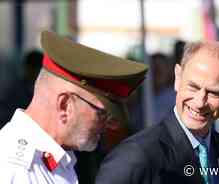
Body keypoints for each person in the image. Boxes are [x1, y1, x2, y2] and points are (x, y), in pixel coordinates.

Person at [0, 31, 148, 184]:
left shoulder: (53, 159)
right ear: (65, 106)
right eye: (101, 113)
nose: (106, 126)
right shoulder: (14, 169)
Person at [96, 40, 219, 184]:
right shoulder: (136, 156)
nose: (200, 102)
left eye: (213, 93)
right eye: (193, 87)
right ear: (178, 78)